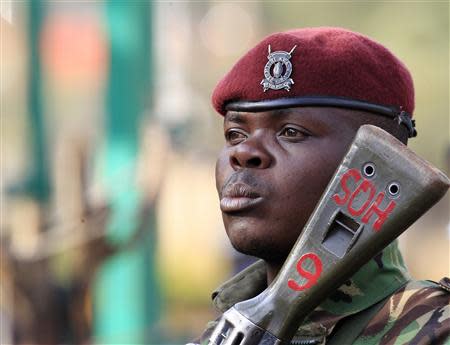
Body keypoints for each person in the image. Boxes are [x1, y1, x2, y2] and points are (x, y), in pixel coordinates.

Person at [195, 27, 449, 344]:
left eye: (291, 132)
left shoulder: (431, 331)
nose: (243, 153)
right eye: (235, 134)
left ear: (385, 165)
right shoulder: (229, 328)